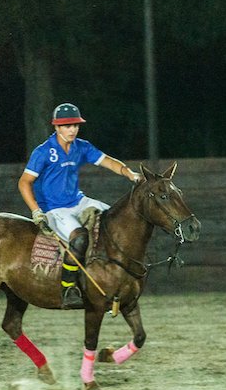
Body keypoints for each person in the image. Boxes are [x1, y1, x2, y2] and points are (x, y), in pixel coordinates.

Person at [18, 102, 142, 309]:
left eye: (75, 125)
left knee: (114, 219)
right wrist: (36, 211)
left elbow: (107, 161)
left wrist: (128, 173)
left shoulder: (81, 147)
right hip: (55, 208)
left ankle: (111, 274)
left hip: (78, 200)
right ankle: (68, 287)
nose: (72, 129)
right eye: (67, 126)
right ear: (56, 127)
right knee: (79, 238)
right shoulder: (43, 152)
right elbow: (24, 182)